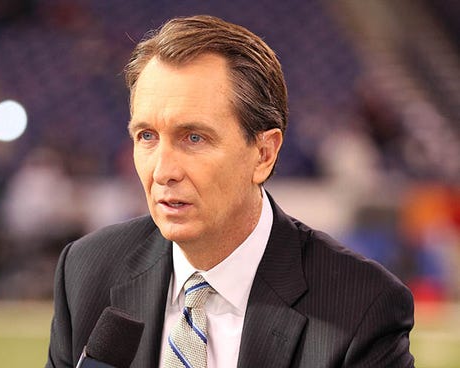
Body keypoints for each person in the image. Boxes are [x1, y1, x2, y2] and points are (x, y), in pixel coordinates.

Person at [46, 15, 414, 368]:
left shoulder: (362, 306)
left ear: (264, 154)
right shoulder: (87, 271)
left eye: (194, 138)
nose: (163, 171)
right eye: (147, 136)